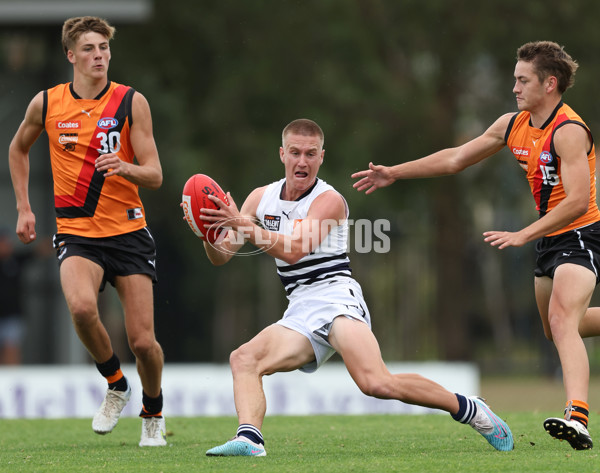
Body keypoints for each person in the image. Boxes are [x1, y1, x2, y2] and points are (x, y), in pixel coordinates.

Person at [197, 118, 513, 456]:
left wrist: (242, 224)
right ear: (282, 154)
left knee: (376, 383)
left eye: (310, 154)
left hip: (336, 298)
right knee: (244, 359)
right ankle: (250, 439)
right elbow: (222, 255)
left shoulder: (329, 200)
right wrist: (206, 231)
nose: (302, 161)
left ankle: (469, 408)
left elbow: (293, 250)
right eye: (294, 153)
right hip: (300, 307)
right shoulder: (260, 198)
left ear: (321, 157)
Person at [352, 41, 599, 451]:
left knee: (560, 319)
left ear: (550, 84)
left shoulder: (569, 131)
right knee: (559, 328)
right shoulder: (512, 124)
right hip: (547, 238)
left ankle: (578, 416)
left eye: (523, 80)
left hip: (580, 233)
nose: (515, 87)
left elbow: (576, 200)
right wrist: (394, 172)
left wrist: (524, 233)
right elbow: (455, 159)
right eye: (514, 78)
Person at [8, 16, 166, 447]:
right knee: (80, 308)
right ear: (71, 55)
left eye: (104, 48)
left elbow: (155, 175)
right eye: (91, 49)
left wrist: (126, 166)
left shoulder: (131, 102)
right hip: (77, 234)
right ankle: (116, 384)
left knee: (144, 343)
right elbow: (18, 148)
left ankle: (153, 411)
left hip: (129, 234)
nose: (99, 56)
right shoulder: (47, 103)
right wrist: (24, 207)